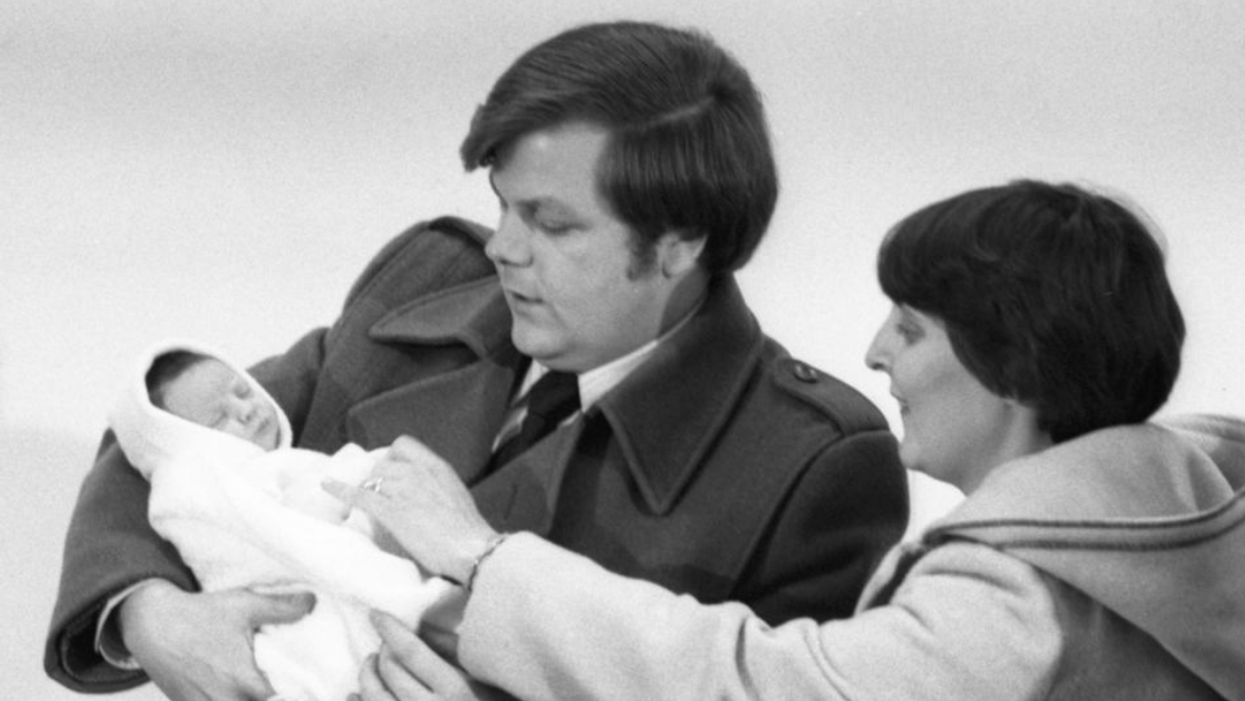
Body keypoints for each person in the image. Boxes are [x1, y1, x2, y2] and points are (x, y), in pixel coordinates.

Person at [45, 20, 910, 700]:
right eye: (501, 206)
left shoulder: (812, 464)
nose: (503, 248)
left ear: (680, 244)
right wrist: (151, 616)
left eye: (553, 223)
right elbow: (165, 433)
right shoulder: (427, 284)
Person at [330, 180, 1245, 700]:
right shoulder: (1163, 538)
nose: (875, 350)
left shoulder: (1017, 597)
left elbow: (764, 685)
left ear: (1011, 363)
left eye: (910, 327)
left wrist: (483, 559)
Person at [109, 340, 452, 701]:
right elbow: (277, 534)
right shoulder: (193, 481)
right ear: (181, 442)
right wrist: (354, 477)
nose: (244, 410)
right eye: (218, 418)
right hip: (285, 614)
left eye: (243, 391)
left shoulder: (283, 465)